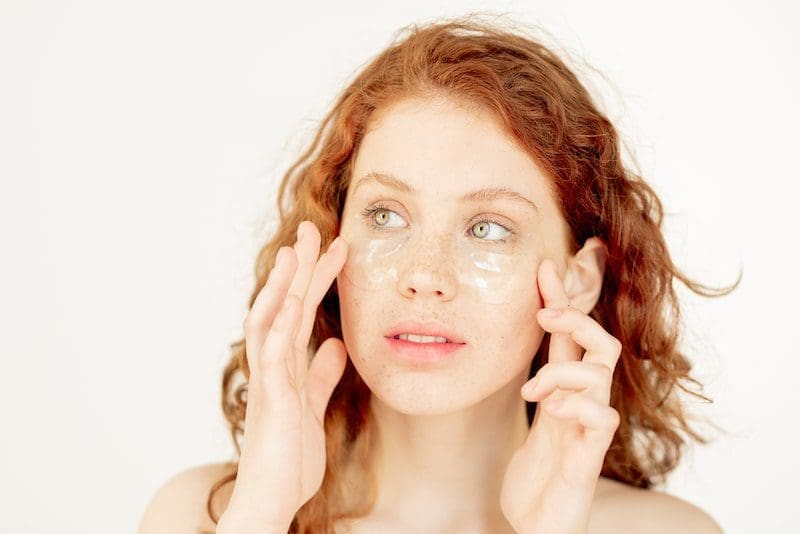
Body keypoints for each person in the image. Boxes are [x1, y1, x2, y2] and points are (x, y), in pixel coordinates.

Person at [139, 13, 736, 534]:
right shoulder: (202, 517)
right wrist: (261, 520)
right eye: (385, 215)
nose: (424, 276)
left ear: (579, 279)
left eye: (488, 228)